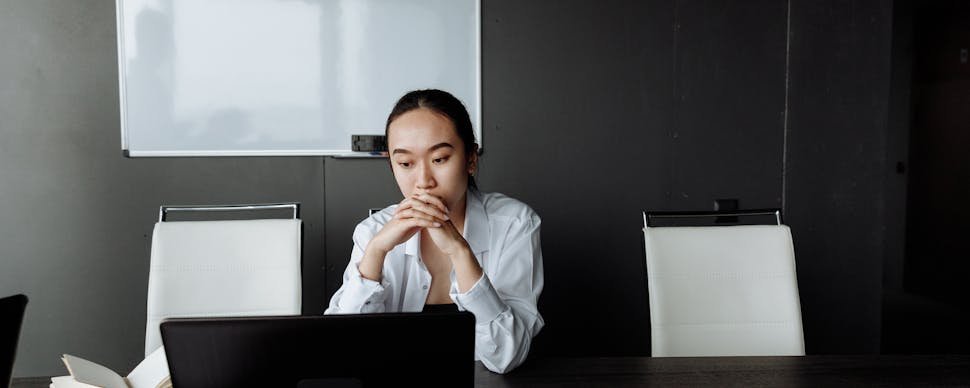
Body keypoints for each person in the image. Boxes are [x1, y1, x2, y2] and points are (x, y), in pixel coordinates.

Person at [325, 89, 544, 374]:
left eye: (439, 159)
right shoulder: (373, 233)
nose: (423, 181)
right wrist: (376, 252)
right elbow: (340, 352)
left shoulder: (514, 224)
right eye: (405, 164)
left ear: (470, 159)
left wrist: (459, 250)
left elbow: (505, 356)